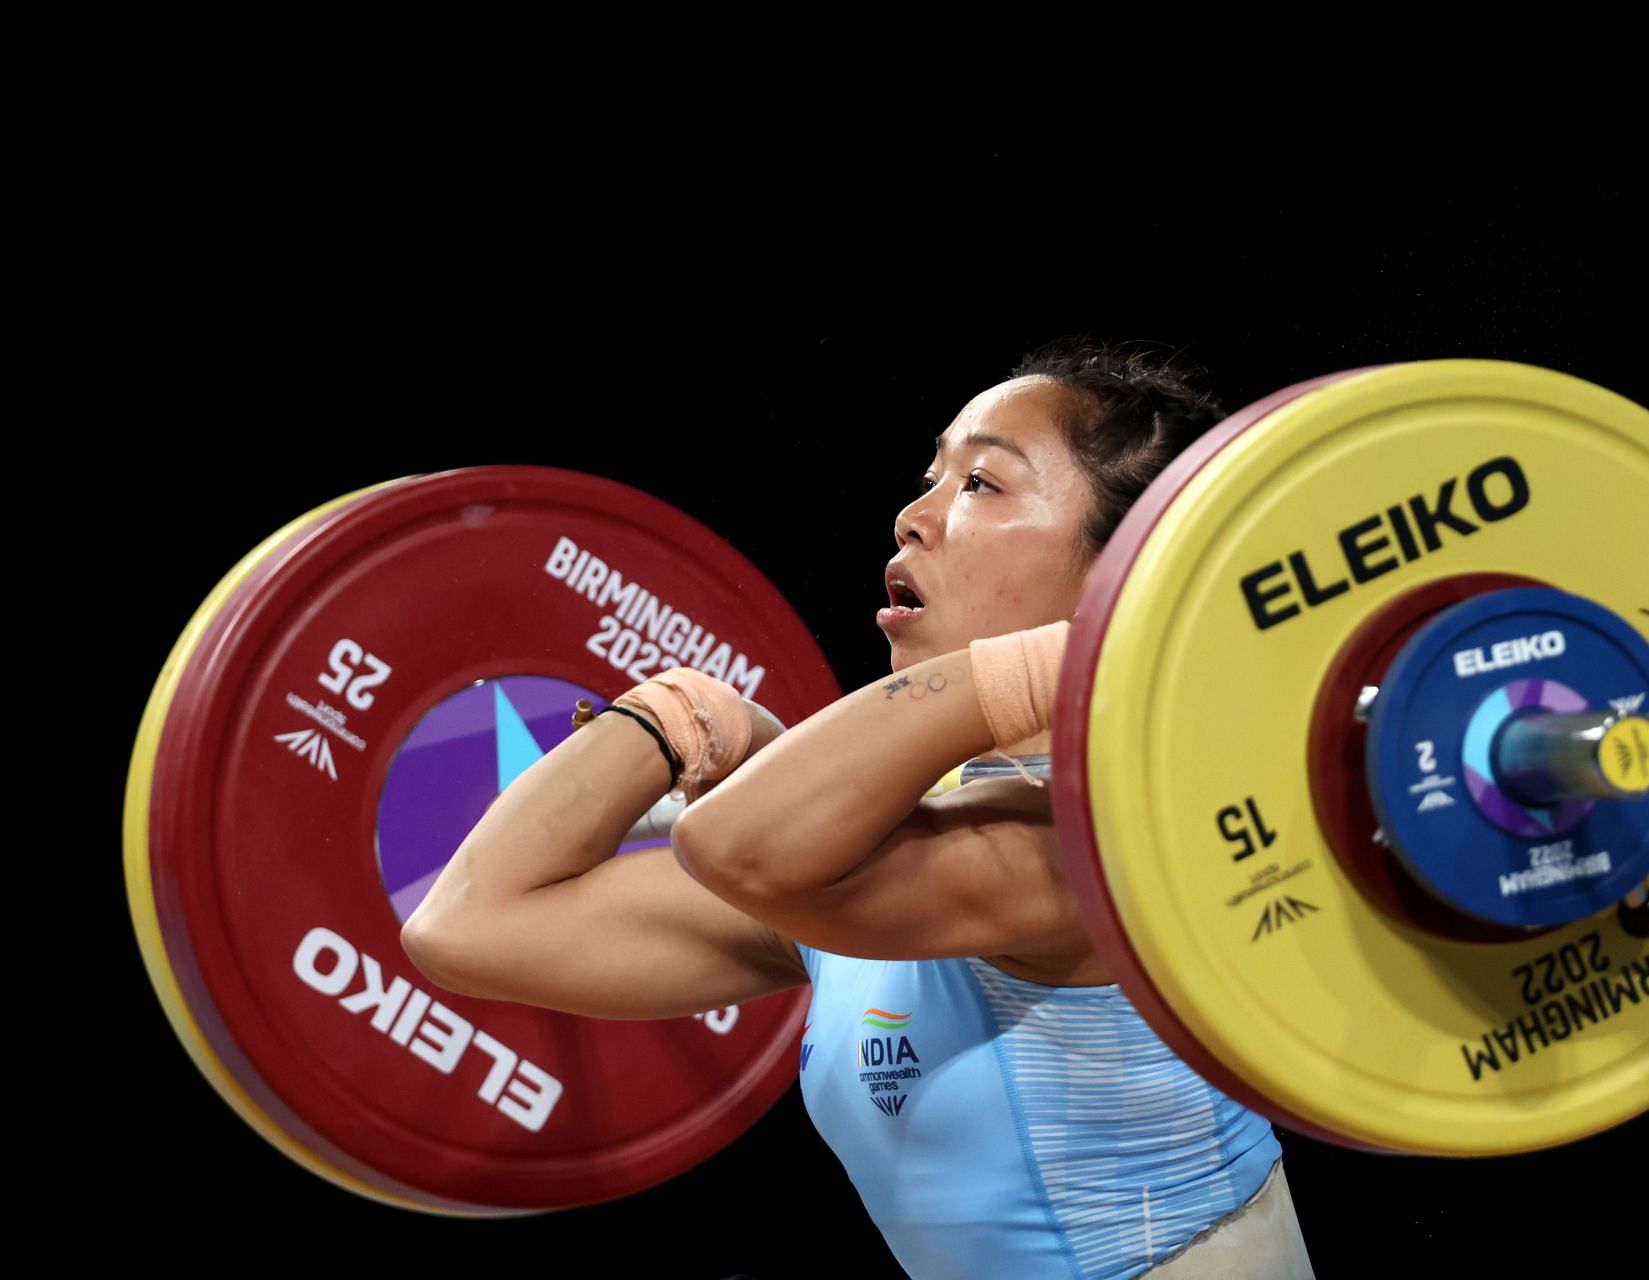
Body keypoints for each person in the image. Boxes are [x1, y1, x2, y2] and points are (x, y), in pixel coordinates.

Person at [401, 337, 1316, 1279]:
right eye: (932, 478)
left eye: (981, 486)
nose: (912, 518)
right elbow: (468, 926)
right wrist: (674, 713)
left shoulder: (1106, 844)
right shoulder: (880, 868)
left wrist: (1110, 640)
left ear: (1126, 562)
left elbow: (732, 840)